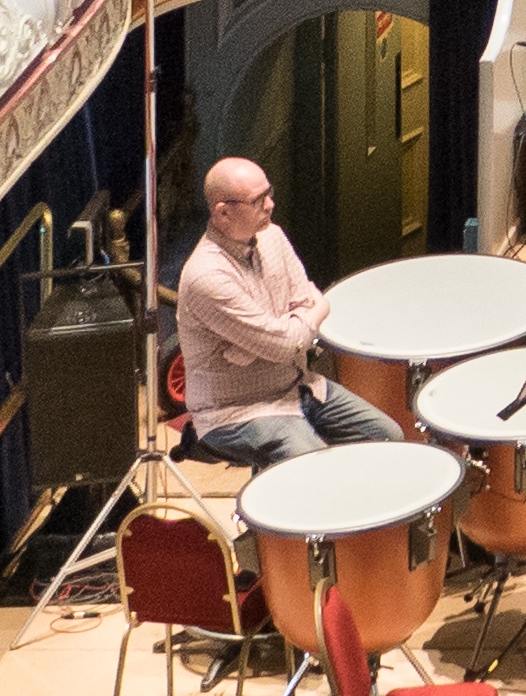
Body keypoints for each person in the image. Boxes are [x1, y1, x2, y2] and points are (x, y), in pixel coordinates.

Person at [174, 155, 407, 465]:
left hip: (298, 386)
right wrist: (313, 313)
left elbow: (301, 306)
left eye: (270, 193)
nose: (270, 205)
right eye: (258, 200)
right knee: (312, 464)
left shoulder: (273, 236)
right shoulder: (207, 277)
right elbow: (287, 343)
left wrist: (285, 329)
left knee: (389, 438)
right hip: (235, 411)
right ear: (223, 212)